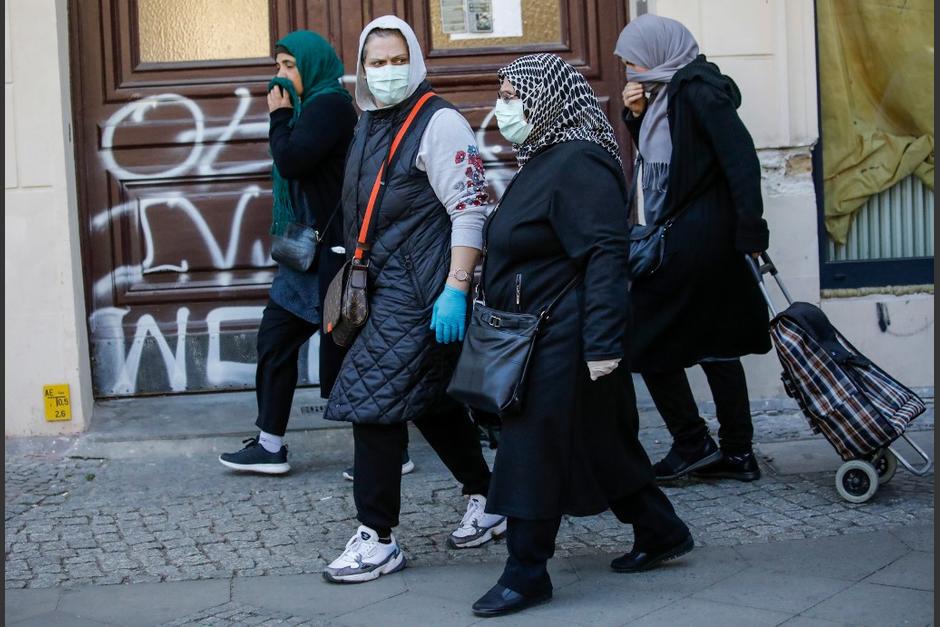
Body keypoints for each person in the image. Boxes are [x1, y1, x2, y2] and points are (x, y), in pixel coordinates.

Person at [469, 53, 692, 618]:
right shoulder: (544, 157)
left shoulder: (580, 161)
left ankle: (526, 571)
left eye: (513, 95)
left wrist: (602, 345)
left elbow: (604, 256)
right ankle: (660, 529)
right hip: (539, 327)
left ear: (547, 99)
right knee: (600, 439)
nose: (503, 108)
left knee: (530, 447)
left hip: (565, 335)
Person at [321, 16, 505, 584]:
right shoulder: (371, 121)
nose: (387, 70)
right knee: (430, 400)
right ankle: (492, 495)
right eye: (375, 62)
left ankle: (377, 537)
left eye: (396, 58)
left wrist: (455, 288)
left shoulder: (440, 121)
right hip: (385, 287)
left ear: (416, 59)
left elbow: (470, 208)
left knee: (371, 403)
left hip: (423, 290)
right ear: (362, 69)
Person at [216, 31, 416, 477]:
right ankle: (269, 444)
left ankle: (392, 450)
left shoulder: (328, 106)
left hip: (333, 255)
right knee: (277, 341)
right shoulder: (317, 107)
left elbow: (292, 160)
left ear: (312, 66)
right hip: (308, 256)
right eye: (279, 66)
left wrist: (280, 116)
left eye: (289, 66)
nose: (281, 76)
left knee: (350, 351)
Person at [614, 15, 771, 482]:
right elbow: (670, 161)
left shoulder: (698, 91)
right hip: (696, 238)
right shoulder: (667, 93)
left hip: (700, 241)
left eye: (633, 61)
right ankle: (737, 454)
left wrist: (752, 233)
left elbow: (740, 160)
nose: (627, 70)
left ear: (660, 51)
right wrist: (636, 116)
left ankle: (693, 442)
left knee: (644, 339)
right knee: (716, 345)